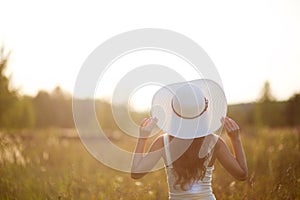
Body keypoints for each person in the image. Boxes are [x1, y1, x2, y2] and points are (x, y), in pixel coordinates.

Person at [131, 79, 248, 200]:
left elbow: (136, 173)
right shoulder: (213, 142)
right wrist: (235, 140)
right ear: (204, 111)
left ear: (174, 112)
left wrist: (142, 138)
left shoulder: (163, 142)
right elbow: (242, 175)